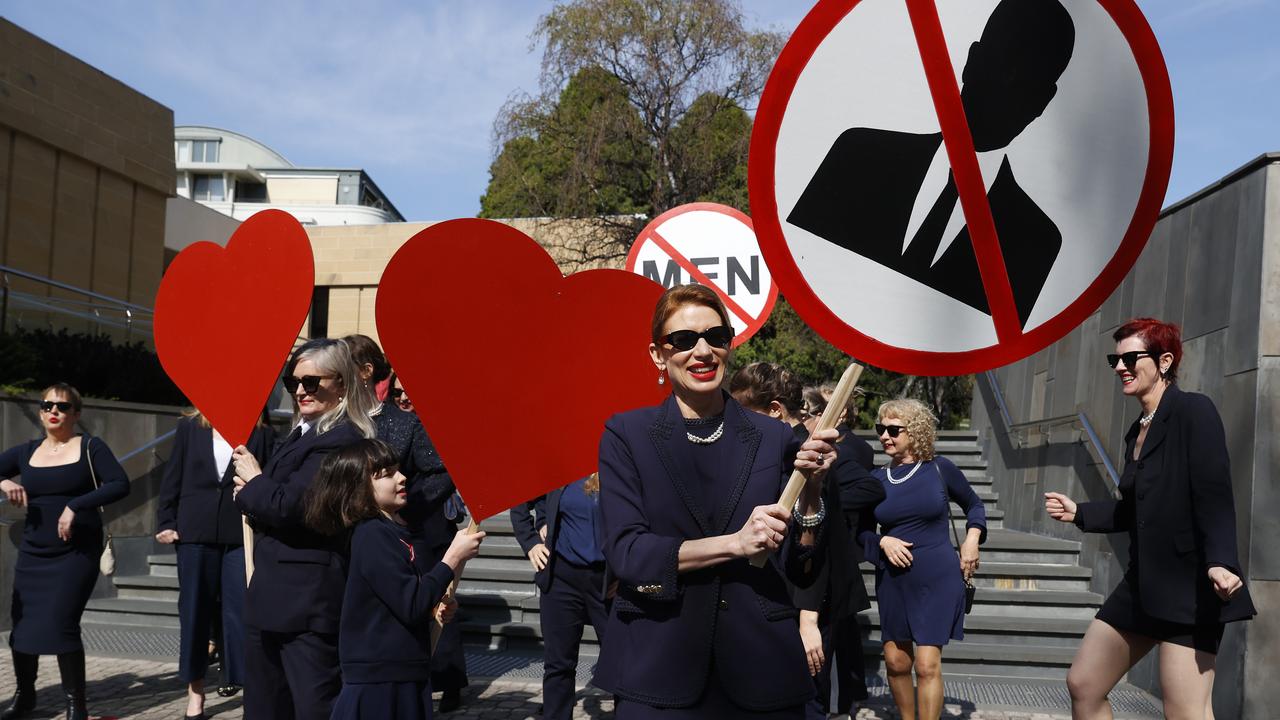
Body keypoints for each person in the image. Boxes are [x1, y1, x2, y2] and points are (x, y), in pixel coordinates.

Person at [593, 283, 838, 718]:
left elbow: (805, 566)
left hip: (761, 668)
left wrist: (814, 492)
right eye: (684, 340)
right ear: (657, 354)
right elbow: (628, 553)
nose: (702, 351)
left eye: (716, 337)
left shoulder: (774, 437)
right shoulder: (626, 435)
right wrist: (735, 544)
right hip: (657, 666)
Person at [787, 0, 1075, 328]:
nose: (1006, 86)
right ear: (972, 61)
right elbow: (801, 262)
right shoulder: (856, 157)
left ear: (1043, 101)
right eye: (1001, 62)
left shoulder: (1037, 242)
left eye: (1026, 79)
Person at [1044, 318, 1256, 719]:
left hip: (1191, 585)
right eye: (1115, 358)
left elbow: (1214, 495)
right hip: (1143, 584)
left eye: (1129, 357)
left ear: (1164, 361)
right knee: (1084, 684)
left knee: (1185, 712)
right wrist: (1080, 513)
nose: (1119, 367)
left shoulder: (1194, 411)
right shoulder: (1136, 431)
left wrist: (1221, 561)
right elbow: (1136, 508)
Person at [232, 338, 376, 719]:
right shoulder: (302, 433)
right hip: (271, 593)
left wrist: (255, 482)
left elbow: (292, 506)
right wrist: (257, 492)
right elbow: (266, 500)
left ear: (342, 384)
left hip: (308, 601)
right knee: (265, 706)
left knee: (313, 707)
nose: (299, 391)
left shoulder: (342, 440)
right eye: (292, 382)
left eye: (312, 382)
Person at [731, 364, 885, 719]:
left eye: (743, 411)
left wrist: (808, 620)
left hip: (808, 601)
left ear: (774, 410)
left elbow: (822, 546)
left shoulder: (811, 456)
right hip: (772, 598)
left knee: (806, 698)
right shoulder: (763, 453)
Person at [303, 439, 485, 720]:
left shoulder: (396, 532)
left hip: (402, 670)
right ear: (359, 487)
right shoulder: (372, 534)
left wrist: (434, 608)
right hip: (380, 679)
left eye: (398, 470)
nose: (402, 478)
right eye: (387, 473)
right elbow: (410, 602)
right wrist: (451, 559)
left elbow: (406, 600)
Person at [341, 335, 469, 713]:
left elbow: (441, 471)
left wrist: (404, 509)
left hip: (413, 535)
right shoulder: (338, 423)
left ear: (364, 372)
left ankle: (447, 680)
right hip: (352, 551)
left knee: (429, 606)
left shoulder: (404, 423)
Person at [0, 383, 130, 720]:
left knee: (62, 622)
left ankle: (76, 704)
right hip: (34, 551)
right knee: (23, 624)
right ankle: (25, 696)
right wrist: (5, 482)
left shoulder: (90, 447)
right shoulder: (26, 451)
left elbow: (119, 483)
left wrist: (76, 505)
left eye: (61, 406)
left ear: (76, 413)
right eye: (46, 406)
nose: (52, 411)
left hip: (76, 553)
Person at [859, 399, 985, 720]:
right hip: (894, 580)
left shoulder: (940, 468)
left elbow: (973, 504)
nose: (885, 436)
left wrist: (972, 539)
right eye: (880, 429)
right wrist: (882, 540)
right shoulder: (875, 478)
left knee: (928, 664)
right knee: (896, 662)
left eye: (893, 429)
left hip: (937, 577)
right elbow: (859, 533)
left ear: (914, 431)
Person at [155, 411, 275, 719]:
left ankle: (248, 692)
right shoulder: (189, 427)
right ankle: (195, 695)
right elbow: (174, 474)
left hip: (240, 533)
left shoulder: (261, 430)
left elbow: (267, 478)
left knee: (242, 615)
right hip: (194, 530)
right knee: (194, 613)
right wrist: (166, 520)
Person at [511, 474, 612, 719]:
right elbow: (520, 499)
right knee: (558, 665)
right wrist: (531, 541)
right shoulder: (560, 466)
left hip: (608, 581)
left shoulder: (616, 459)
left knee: (622, 662)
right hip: (561, 578)